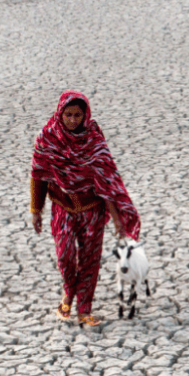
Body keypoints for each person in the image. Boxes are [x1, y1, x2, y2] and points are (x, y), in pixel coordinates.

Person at [30, 91, 140, 326]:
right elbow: (38, 175)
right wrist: (36, 210)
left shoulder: (94, 140)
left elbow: (106, 180)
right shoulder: (48, 137)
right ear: (60, 113)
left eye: (77, 115)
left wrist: (118, 219)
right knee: (65, 255)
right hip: (63, 206)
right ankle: (69, 293)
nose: (72, 120)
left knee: (90, 259)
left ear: (85, 115)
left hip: (92, 208)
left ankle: (84, 309)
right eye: (67, 115)